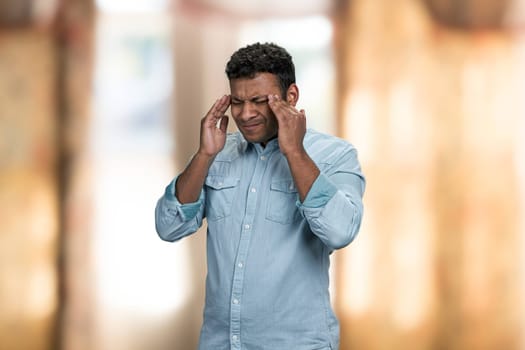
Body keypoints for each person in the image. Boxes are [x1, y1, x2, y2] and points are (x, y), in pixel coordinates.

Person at [155, 42, 365, 350]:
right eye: (237, 102)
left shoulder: (335, 155)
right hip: (220, 344)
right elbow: (169, 226)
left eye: (258, 101)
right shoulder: (218, 153)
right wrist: (204, 155)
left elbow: (340, 231)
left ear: (290, 96)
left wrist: (294, 151)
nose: (245, 113)